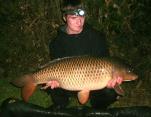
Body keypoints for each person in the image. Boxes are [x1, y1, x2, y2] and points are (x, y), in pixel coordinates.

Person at [45, 0, 123, 110]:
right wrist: (55, 81)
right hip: (68, 84)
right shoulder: (56, 43)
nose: (79, 22)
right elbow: (56, 64)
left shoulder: (97, 37)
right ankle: (61, 104)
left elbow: (106, 61)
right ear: (65, 18)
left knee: (111, 92)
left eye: (81, 17)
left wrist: (109, 82)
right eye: (73, 18)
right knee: (51, 84)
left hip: (94, 85)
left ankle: (98, 107)